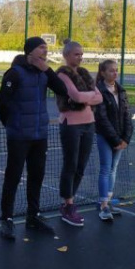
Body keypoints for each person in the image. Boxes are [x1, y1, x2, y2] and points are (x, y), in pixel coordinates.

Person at [0, 36, 69, 240]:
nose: (45, 51)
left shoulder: (44, 73)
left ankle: (33, 215)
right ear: (30, 51)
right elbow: (1, 103)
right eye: (41, 48)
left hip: (40, 135)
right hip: (19, 136)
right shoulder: (15, 73)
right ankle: (7, 219)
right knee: (13, 177)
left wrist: (46, 69)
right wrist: (12, 124)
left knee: (37, 175)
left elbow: (62, 90)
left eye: (46, 48)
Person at [55, 40, 102, 227]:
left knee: (81, 165)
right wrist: (89, 98)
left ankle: (69, 201)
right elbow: (75, 96)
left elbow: (99, 96)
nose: (80, 57)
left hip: (89, 124)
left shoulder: (84, 73)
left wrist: (87, 98)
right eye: (76, 54)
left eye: (81, 54)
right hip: (71, 125)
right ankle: (68, 205)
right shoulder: (62, 74)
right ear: (67, 55)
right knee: (71, 164)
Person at [93, 59, 133, 221]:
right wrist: (116, 139)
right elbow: (101, 119)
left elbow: (127, 116)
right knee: (105, 168)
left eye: (116, 70)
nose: (115, 73)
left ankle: (108, 201)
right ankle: (103, 206)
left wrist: (126, 138)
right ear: (103, 73)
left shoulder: (121, 91)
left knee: (113, 168)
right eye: (111, 71)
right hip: (105, 137)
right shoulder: (99, 91)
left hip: (120, 138)